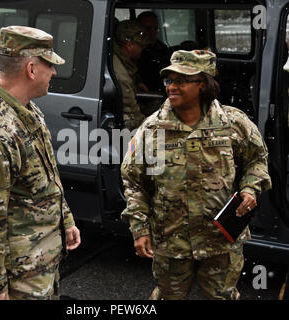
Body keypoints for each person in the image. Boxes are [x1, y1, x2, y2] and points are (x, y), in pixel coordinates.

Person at [120, 49, 272, 300]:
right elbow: (134, 181)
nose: (172, 87)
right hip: (171, 242)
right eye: (169, 80)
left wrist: (249, 190)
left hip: (221, 241)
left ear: (203, 84)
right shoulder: (151, 129)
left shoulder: (233, 123)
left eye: (181, 80)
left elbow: (256, 160)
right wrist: (139, 228)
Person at [0, 26, 81, 300]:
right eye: (50, 65)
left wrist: (66, 220)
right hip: (20, 279)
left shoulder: (25, 109)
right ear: (31, 69)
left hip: (39, 264)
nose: (54, 72)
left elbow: (46, 177)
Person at [113, 20, 149, 130]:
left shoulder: (123, 62)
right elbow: (132, 113)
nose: (142, 50)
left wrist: (138, 82)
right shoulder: (120, 74)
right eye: (140, 46)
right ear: (129, 45)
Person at [137, 11, 170, 93]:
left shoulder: (162, 48)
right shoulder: (133, 50)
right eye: (148, 28)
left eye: (155, 28)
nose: (152, 32)